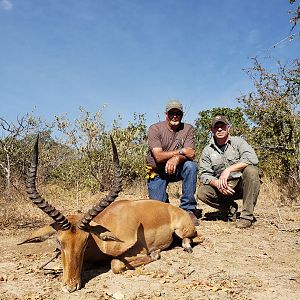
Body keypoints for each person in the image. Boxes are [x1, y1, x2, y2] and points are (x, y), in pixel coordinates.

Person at [197, 115, 261, 228]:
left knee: (252, 171)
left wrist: (229, 170)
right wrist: (216, 183)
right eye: (216, 127)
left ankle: (247, 216)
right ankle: (230, 210)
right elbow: (204, 174)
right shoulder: (207, 150)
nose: (220, 129)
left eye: (222, 126)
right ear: (212, 130)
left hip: (242, 185)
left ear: (228, 127)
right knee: (202, 192)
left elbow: (252, 159)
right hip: (222, 189)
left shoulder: (238, 142)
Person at [146, 100, 199, 226]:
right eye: (171, 113)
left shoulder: (188, 129)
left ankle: (188, 209)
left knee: (191, 166)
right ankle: (165, 203)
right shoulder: (155, 128)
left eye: (178, 113)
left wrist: (176, 159)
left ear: (182, 115)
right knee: (159, 211)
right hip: (157, 171)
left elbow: (191, 154)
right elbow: (158, 157)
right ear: (166, 114)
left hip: (176, 168)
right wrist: (181, 152)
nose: (174, 116)